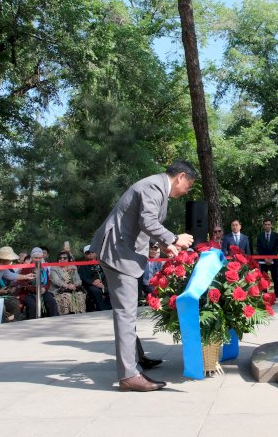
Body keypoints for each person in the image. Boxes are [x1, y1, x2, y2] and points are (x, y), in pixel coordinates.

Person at [89, 160, 197, 392]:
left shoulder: (155, 186)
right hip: (119, 253)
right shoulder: (153, 187)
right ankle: (129, 375)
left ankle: (135, 359)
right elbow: (147, 221)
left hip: (124, 252)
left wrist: (164, 244)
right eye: (189, 185)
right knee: (126, 314)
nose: (187, 190)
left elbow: (145, 223)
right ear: (180, 177)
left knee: (128, 311)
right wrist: (174, 238)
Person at [15, 247, 60, 319]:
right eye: (36, 258)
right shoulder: (26, 268)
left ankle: (54, 320)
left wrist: (45, 289)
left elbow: (48, 281)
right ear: (32, 258)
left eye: (40, 258)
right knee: (33, 305)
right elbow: (22, 282)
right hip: (28, 292)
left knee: (51, 301)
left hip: (42, 291)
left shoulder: (44, 268)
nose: (38, 260)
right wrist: (35, 289)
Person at [80, 245, 111, 311]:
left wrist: (100, 281)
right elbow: (83, 277)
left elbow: (106, 273)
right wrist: (93, 282)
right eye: (88, 253)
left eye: (92, 252)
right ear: (85, 255)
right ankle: (102, 309)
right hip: (91, 285)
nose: (90, 254)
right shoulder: (83, 265)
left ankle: (111, 307)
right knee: (95, 291)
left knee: (111, 288)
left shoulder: (102, 262)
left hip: (102, 283)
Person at [256, 219, 278, 296]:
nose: (267, 226)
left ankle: (276, 294)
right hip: (263, 261)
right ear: (263, 226)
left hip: (273, 260)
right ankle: (264, 294)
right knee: (263, 278)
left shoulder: (275, 235)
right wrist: (265, 259)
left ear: (271, 225)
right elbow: (259, 248)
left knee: (275, 277)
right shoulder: (260, 236)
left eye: (268, 224)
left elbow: (277, 248)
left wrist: (271, 258)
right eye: (265, 224)